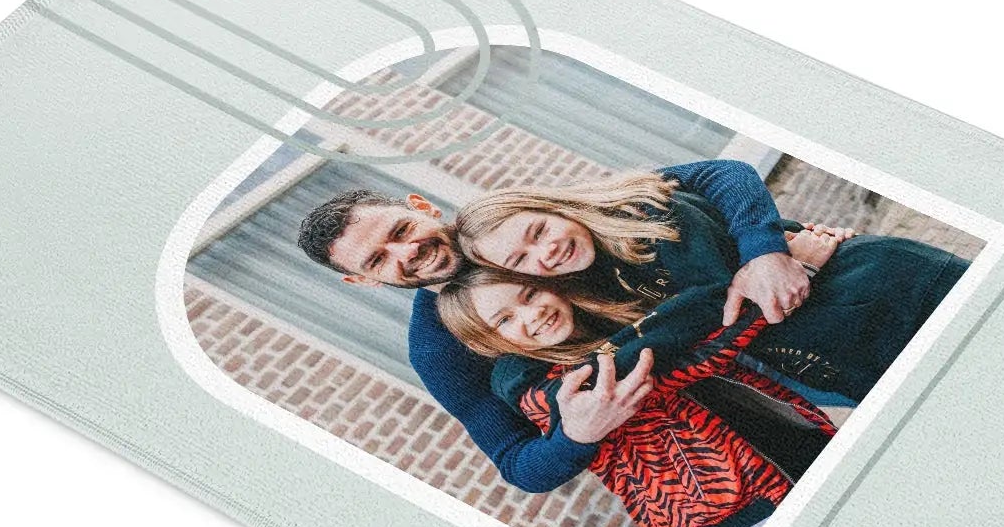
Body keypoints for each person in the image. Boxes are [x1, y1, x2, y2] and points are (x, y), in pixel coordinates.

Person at [296, 160, 816, 493]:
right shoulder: (438, 352)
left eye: (401, 230)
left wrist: (764, 249)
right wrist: (576, 434)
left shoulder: (511, 218)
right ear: (363, 281)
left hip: (791, 318)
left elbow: (714, 176)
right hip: (726, 432)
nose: (406, 252)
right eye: (378, 260)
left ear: (421, 207)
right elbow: (518, 464)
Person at [454, 170, 967, 407]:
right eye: (522, 262)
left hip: (884, 292)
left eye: (539, 230)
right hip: (837, 359)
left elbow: (711, 302)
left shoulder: (647, 212)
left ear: (554, 206)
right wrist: (523, 384)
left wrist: (768, 248)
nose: (545, 252)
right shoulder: (589, 289)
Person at [436, 272, 836, 527]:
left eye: (530, 293)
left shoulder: (594, 327)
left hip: (776, 444)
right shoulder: (536, 385)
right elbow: (681, 349)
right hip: (730, 514)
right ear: (487, 342)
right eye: (505, 320)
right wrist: (764, 283)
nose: (532, 313)